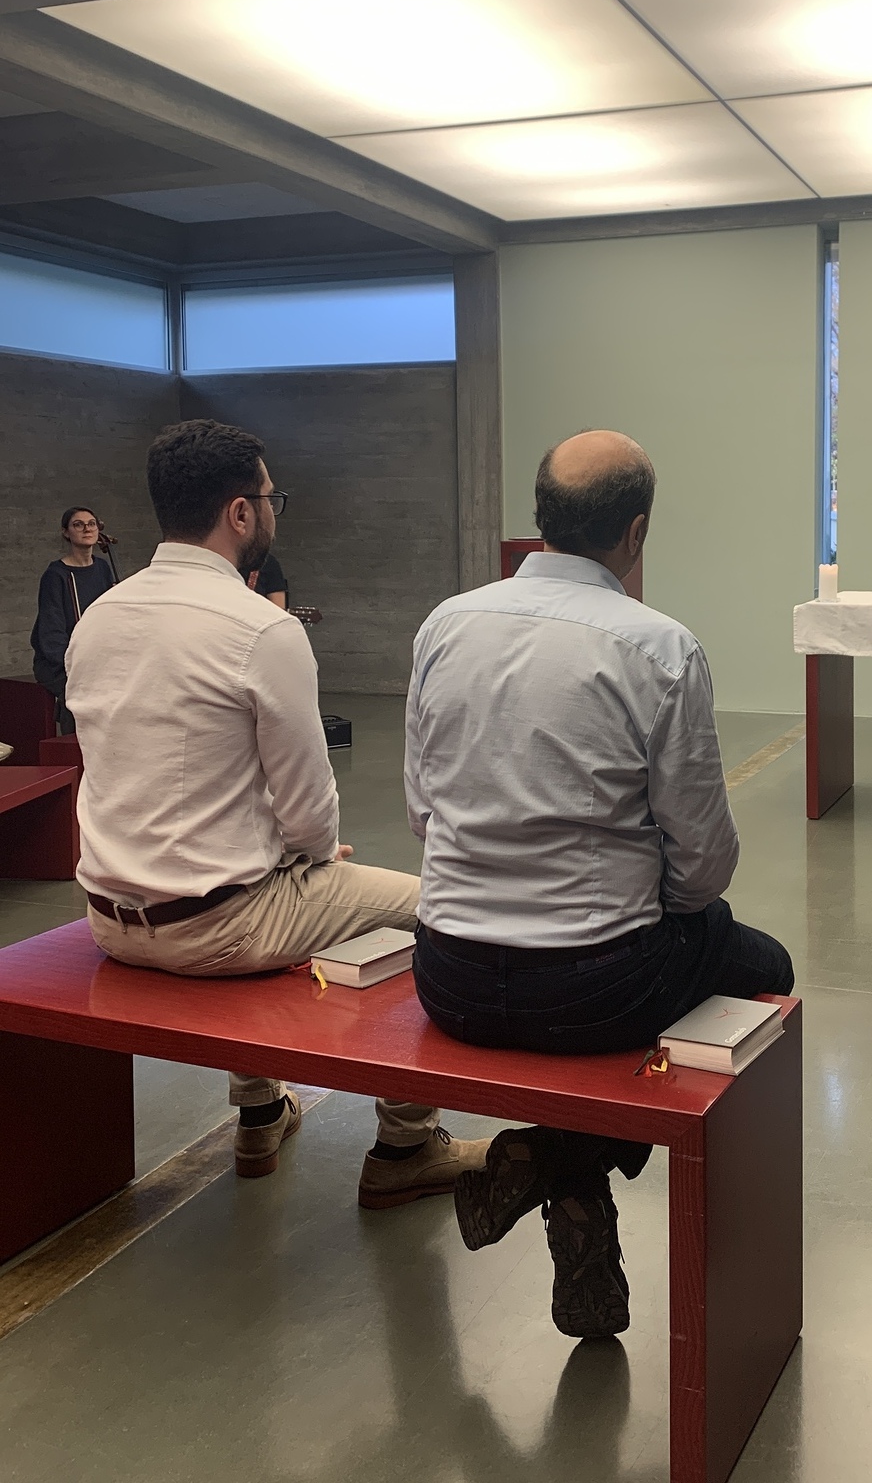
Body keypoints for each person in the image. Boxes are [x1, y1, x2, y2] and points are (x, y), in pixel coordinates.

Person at [406, 430, 794, 1339]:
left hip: (449, 979)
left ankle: (567, 1197)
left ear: (540, 518)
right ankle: (549, 1158)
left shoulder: (445, 625)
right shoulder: (659, 649)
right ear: (636, 531)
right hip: (597, 988)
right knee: (763, 964)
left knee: (661, 959)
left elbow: (424, 814)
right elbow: (702, 865)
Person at [64, 418, 488, 1200]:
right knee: (436, 909)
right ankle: (406, 1144)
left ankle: (260, 1109)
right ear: (239, 512)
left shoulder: (100, 618)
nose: (272, 510)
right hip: (218, 928)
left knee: (263, 874)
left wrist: (294, 857)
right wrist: (315, 857)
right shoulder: (261, 628)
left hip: (110, 920)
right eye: (270, 498)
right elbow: (309, 804)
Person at [31, 507, 117, 733]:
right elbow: (51, 634)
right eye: (78, 524)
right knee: (84, 694)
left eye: (92, 523)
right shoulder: (56, 575)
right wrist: (77, 664)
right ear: (66, 532)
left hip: (94, 658)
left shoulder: (102, 568)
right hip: (60, 663)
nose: (87, 528)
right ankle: (75, 745)